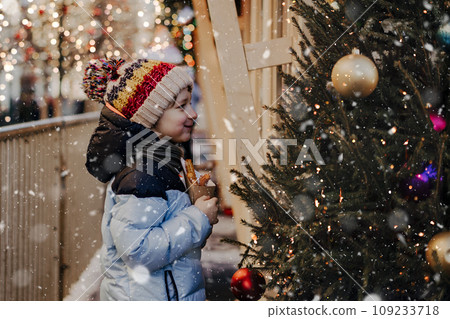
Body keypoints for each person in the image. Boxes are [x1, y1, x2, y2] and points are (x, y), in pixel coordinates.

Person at [83, 58, 219, 301]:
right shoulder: (143, 174)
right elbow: (137, 250)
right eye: (182, 107)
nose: (194, 113)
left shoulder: (161, 160)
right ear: (149, 117)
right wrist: (199, 218)